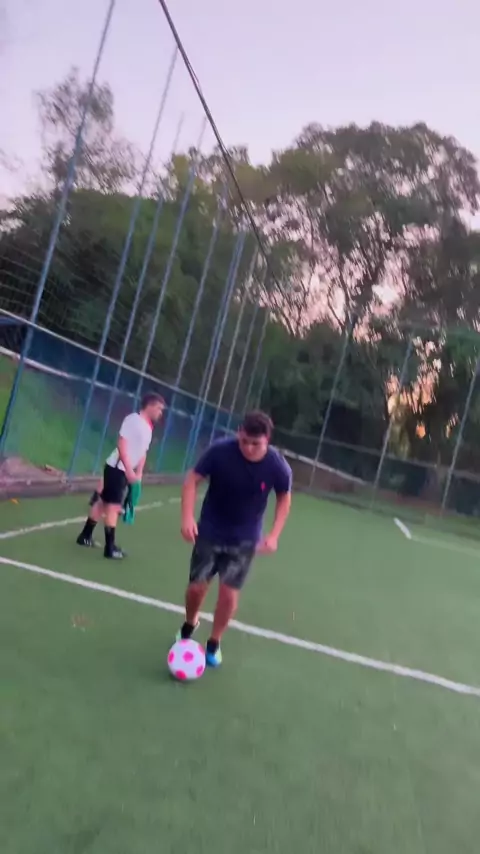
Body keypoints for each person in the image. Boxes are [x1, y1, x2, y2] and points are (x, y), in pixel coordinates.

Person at [178, 410, 292, 667]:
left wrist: (274, 535)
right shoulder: (219, 452)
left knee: (229, 595)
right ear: (239, 433)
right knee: (196, 588)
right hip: (210, 530)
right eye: (244, 441)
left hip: (244, 539)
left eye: (256, 444)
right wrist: (187, 517)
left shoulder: (277, 466)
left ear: (267, 440)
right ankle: (190, 622)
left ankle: (214, 642)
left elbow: (284, 498)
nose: (249, 448)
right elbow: (192, 480)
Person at [76, 392, 165, 559]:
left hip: (124, 470)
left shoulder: (148, 427)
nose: (161, 413)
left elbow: (142, 452)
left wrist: (138, 473)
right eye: (159, 408)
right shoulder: (133, 420)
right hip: (116, 469)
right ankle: (110, 548)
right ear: (150, 406)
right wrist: (129, 470)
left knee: (102, 502)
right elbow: (122, 444)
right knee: (113, 507)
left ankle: (85, 536)